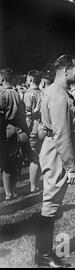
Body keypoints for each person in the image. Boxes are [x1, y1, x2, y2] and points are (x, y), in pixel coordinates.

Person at [35, 55, 75, 268]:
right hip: (57, 152)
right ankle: (43, 257)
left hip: (53, 149)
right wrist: (71, 167)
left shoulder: (56, 92)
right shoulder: (60, 96)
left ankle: (43, 254)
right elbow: (62, 134)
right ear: (65, 70)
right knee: (51, 204)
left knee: (51, 203)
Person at [0, 69, 27, 201]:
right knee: (15, 161)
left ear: (2, 79)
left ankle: (8, 193)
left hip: (5, 130)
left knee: (6, 163)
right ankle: (14, 190)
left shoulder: (2, 94)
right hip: (17, 129)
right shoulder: (18, 94)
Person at [24, 70, 44, 193]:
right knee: (42, 156)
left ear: (30, 80)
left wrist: (25, 130)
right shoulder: (44, 93)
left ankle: (33, 185)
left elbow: (28, 115)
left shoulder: (28, 95)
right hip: (43, 126)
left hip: (33, 128)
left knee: (33, 158)